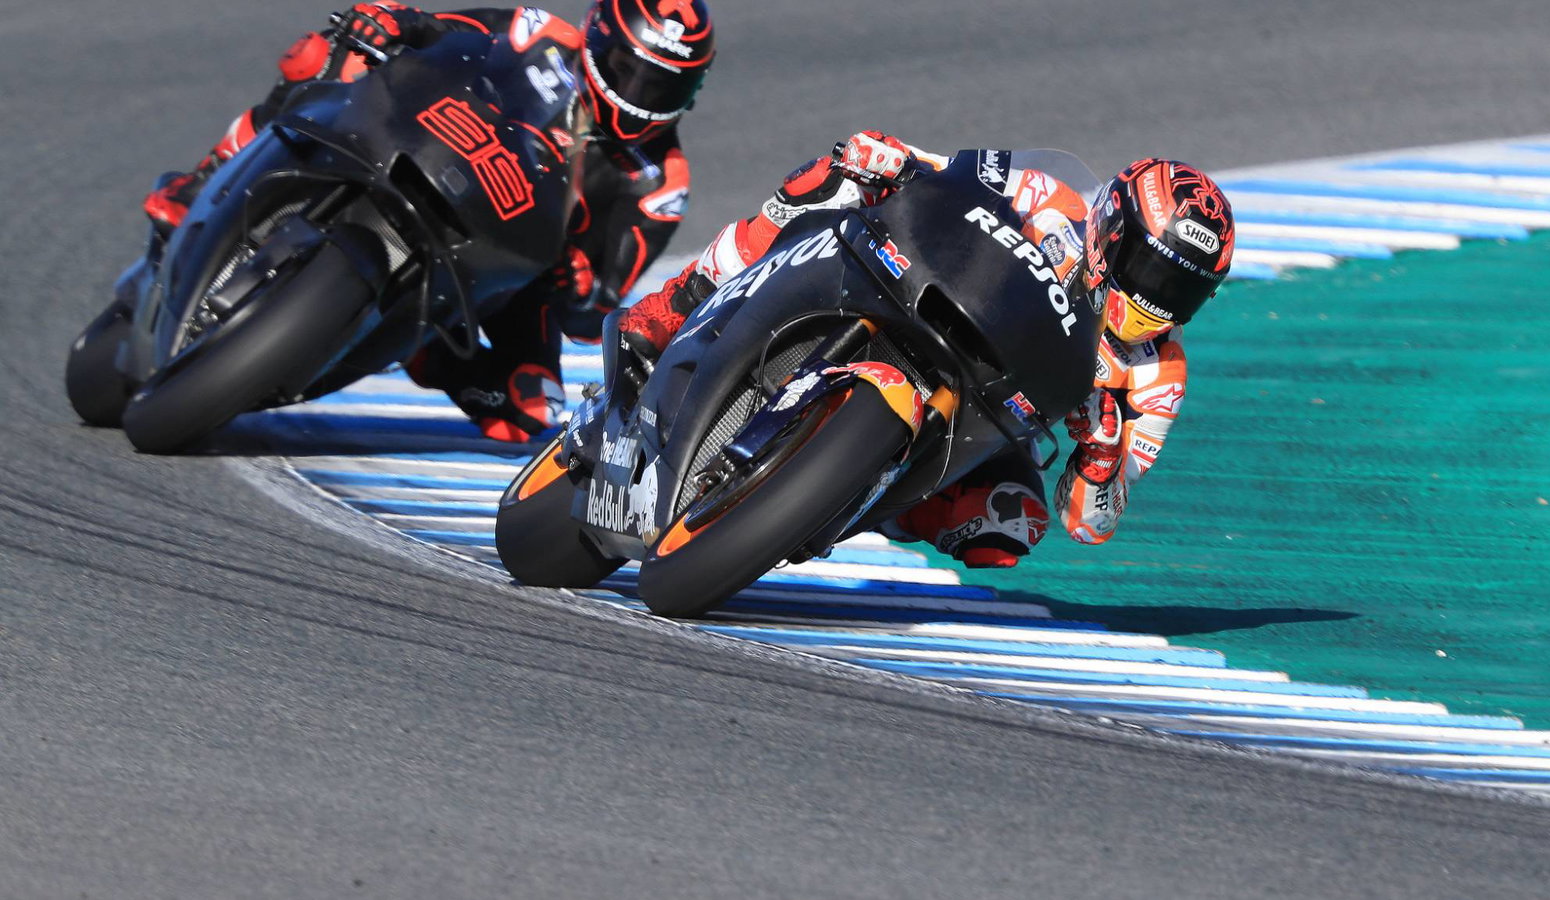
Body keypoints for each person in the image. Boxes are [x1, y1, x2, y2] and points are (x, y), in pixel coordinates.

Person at [617, 131, 1235, 567]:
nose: (1156, 299)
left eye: (1179, 290)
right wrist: (894, 158)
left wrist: (1101, 453)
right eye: (1149, 270)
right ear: (1112, 227)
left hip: (988, 411)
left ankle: (854, 496)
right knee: (830, 176)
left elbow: (1090, 524)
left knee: (1012, 522)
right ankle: (680, 301)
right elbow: (949, 173)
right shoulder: (1052, 201)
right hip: (921, 292)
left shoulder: (1159, 376)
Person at [142, 2, 714, 442]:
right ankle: (206, 175)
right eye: (628, 71)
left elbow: (598, 310)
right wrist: (395, 22)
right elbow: (442, 30)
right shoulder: (534, 33)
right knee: (326, 55)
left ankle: (422, 347)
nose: (642, 97)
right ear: (597, 40)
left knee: (530, 408)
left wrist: (579, 285)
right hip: (419, 146)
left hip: (505, 261)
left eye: (667, 86)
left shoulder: (661, 184)